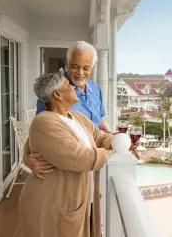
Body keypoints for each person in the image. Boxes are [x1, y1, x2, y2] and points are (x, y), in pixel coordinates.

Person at [14, 72, 112, 237]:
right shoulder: (44, 122)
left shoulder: (78, 117)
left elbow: (101, 136)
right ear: (57, 94)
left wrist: (118, 142)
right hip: (50, 204)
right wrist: (114, 152)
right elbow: (81, 158)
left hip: (76, 202)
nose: (73, 86)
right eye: (67, 84)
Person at [25, 41, 111, 179]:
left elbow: (99, 119)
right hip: (71, 164)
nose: (80, 73)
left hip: (97, 159)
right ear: (67, 63)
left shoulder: (95, 88)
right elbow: (40, 130)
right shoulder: (54, 91)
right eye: (75, 67)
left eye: (86, 68)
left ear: (93, 67)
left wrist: (116, 139)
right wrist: (26, 157)